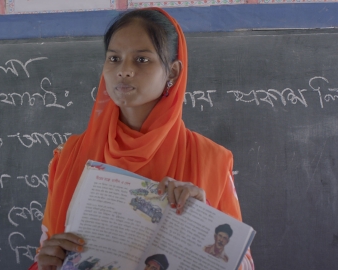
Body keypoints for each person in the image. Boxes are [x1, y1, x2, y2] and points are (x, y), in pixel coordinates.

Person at [28, 7, 254, 270]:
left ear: (173, 72)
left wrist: (203, 221)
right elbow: (45, 253)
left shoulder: (211, 159)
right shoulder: (70, 155)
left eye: (142, 60)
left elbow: (243, 264)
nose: (123, 70)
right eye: (114, 59)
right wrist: (47, 261)